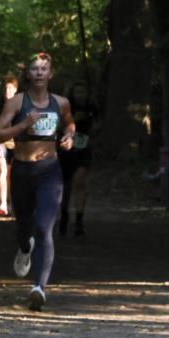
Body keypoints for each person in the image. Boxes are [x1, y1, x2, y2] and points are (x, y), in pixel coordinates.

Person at [0, 52, 75, 311]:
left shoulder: (61, 102)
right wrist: (24, 125)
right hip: (22, 171)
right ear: (27, 74)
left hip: (49, 171)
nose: (39, 73)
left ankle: (39, 286)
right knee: (25, 227)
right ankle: (24, 246)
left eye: (44, 69)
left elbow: (70, 125)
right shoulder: (18, 103)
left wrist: (69, 137)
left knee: (44, 227)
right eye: (34, 69)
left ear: (50, 74)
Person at [58, 82, 100, 237]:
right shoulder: (65, 108)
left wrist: (94, 133)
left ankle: (79, 221)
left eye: (82, 92)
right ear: (72, 94)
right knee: (66, 186)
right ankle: (64, 216)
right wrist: (73, 120)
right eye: (77, 92)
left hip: (83, 149)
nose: (80, 95)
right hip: (66, 151)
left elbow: (98, 125)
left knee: (79, 182)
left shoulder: (92, 107)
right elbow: (57, 126)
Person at [0, 75, 18, 215]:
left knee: (11, 174)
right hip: (1, 140)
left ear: (15, 89)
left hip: (15, 142)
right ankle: (2, 203)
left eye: (10, 88)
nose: (7, 91)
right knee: (2, 169)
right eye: (5, 88)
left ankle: (10, 201)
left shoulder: (20, 102)